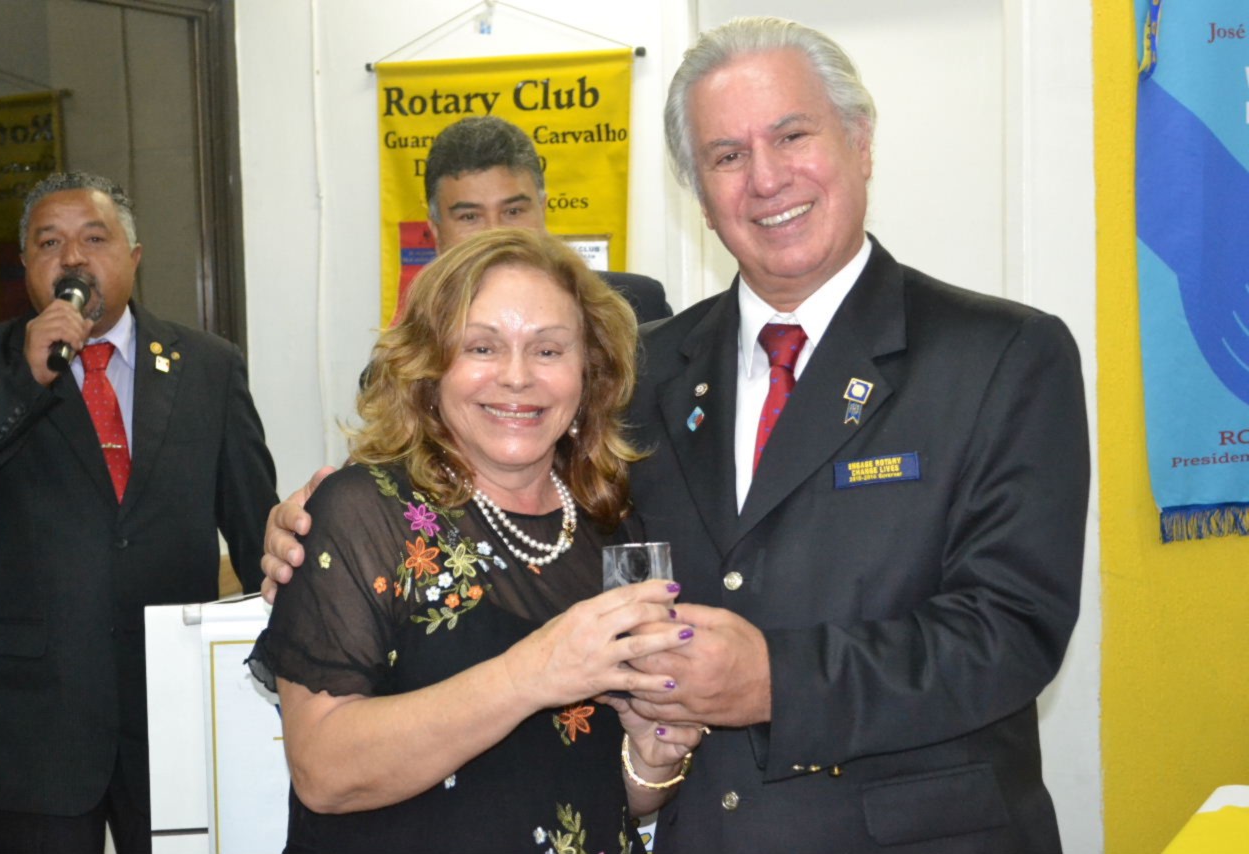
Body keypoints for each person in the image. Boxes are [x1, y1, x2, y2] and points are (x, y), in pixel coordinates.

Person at [264, 16, 1090, 853]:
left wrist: (776, 682)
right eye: (727, 155)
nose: (765, 178)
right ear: (698, 191)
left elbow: (1013, 629)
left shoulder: (1001, 356)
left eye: (791, 135)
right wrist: (316, 536)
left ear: (861, 141)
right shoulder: (637, 372)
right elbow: (495, 497)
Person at [247, 227, 701, 853]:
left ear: (589, 374)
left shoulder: (615, 527)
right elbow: (324, 772)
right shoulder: (363, 514)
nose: (516, 378)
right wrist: (533, 673)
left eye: (548, 350)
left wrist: (651, 760)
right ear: (429, 367)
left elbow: (586, 787)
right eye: (482, 347)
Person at [0, 171, 277, 853]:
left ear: (134, 257)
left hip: (178, 716)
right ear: (25, 264)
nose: (72, 259)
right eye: (49, 243)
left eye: (94, 238)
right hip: (34, 724)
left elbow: (256, 529)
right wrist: (25, 379)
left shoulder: (209, 368)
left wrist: (294, 658)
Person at [416, 115, 672, 324]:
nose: (496, 234)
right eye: (470, 217)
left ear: (542, 210)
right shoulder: (412, 344)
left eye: (513, 211)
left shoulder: (636, 309)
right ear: (436, 231)